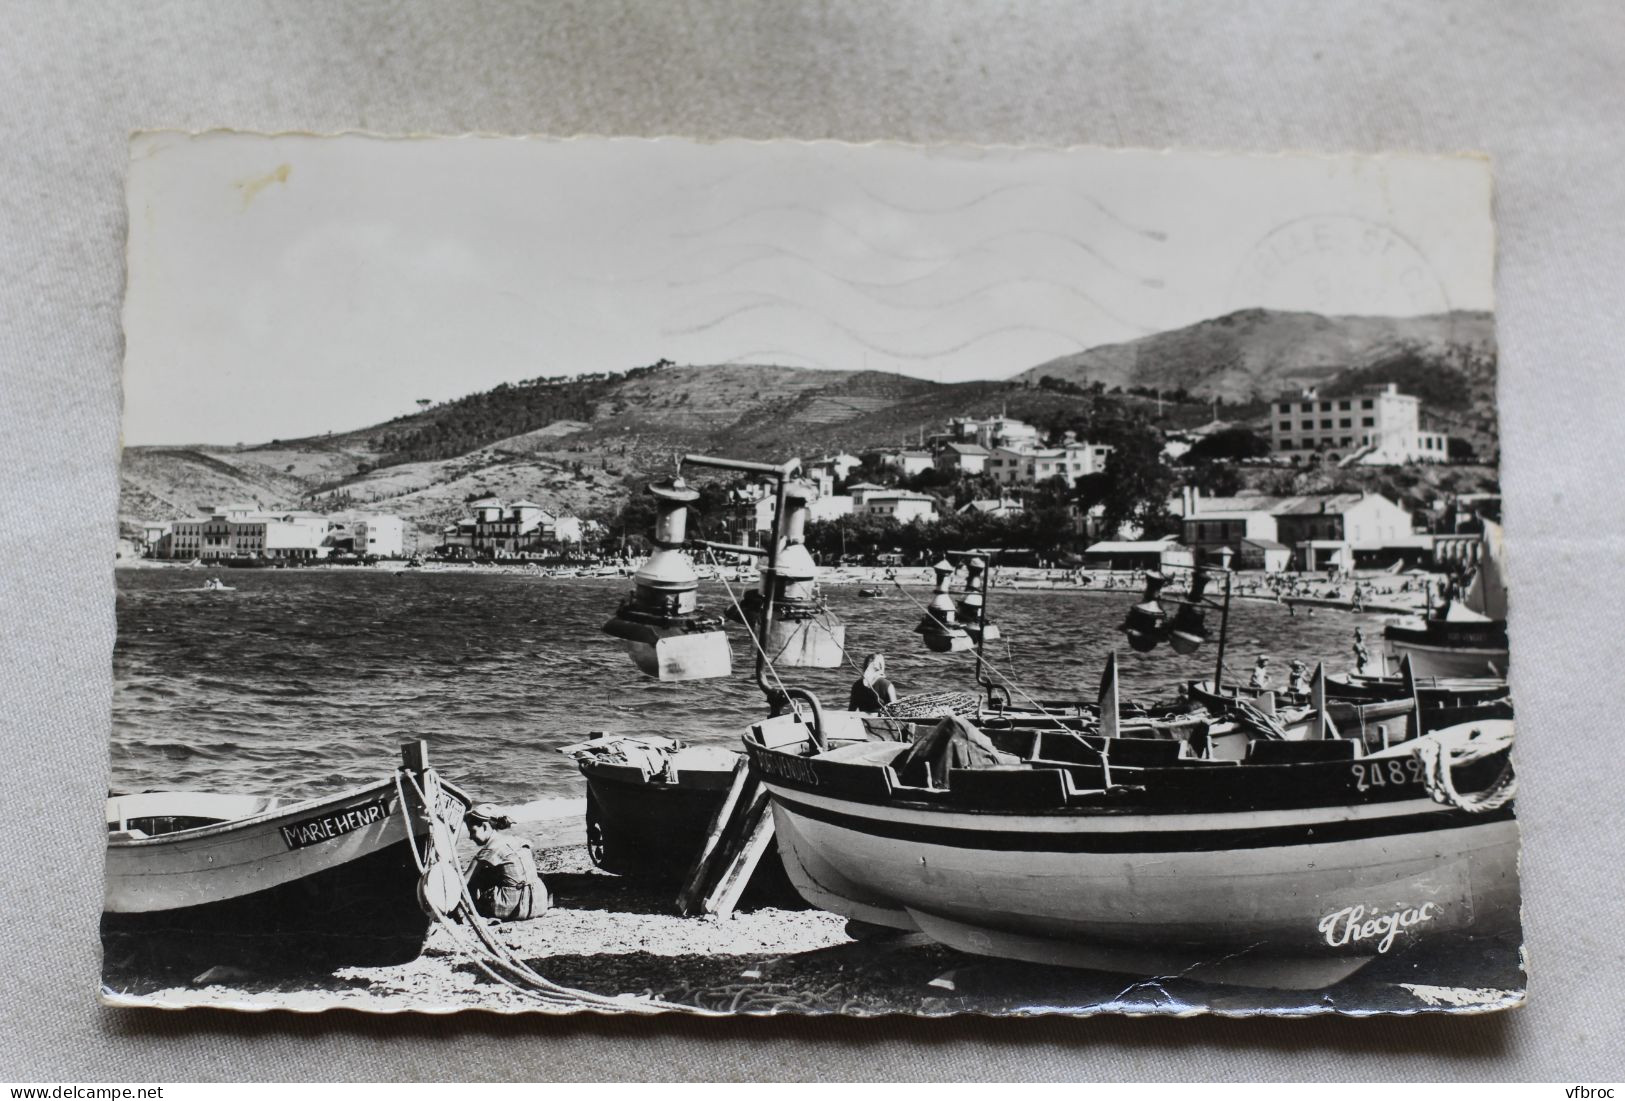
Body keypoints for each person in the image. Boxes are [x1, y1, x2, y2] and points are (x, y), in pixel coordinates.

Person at [463, 804, 550, 922]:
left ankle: (471, 911)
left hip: (514, 909)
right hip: (539, 903)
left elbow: (463, 882)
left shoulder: (489, 851)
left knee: (477, 876)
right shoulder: (517, 840)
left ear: (484, 826)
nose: (470, 837)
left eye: (472, 831)